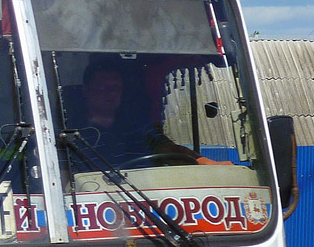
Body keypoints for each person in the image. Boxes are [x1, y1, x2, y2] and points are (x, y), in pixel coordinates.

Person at [71, 61, 228, 168]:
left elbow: (169, 149)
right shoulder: (70, 135)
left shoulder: (137, 127)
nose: (110, 94)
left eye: (115, 88)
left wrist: (205, 163)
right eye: (103, 87)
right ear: (86, 90)